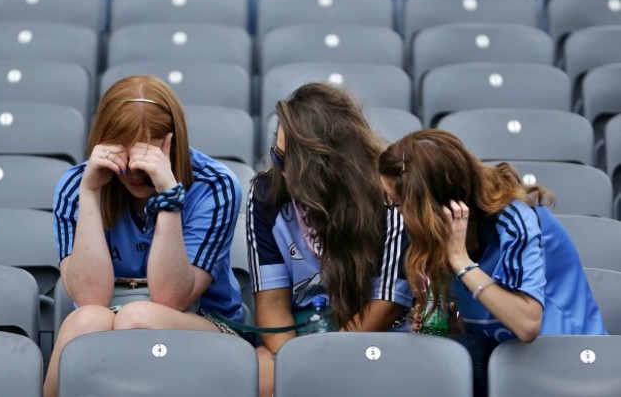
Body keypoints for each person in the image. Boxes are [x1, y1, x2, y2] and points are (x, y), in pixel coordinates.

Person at [44, 75, 243, 397]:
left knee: (139, 317)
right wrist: (91, 193)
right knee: (85, 322)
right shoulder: (75, 185)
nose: (136, 171)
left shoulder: (215, 185)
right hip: (107, 308)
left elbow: (171, 298)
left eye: (147, 155)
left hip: (202, 318)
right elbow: (89, 296)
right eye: (124, 154)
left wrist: (168, 197)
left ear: (172, 143)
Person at [378, 128, 607, 396]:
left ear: (429, 206)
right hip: (504, 363)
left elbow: (527, 324)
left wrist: (462, 263)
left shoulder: (516, 218)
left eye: (398, 204)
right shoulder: (439, 235)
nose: (398, 214)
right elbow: (480, 323)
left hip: (568, 363)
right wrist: (448, 324)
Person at [247, 82, 413, 397]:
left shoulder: (388, 195)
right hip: (299, 332)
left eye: (290, 163)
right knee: (259, 372)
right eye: (277, 157)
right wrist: (299, 362)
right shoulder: (265, 193)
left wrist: (329, 362)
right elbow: (271, 303)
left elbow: (387, 304)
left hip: (375, 333)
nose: (280, 171)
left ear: (330, 165)